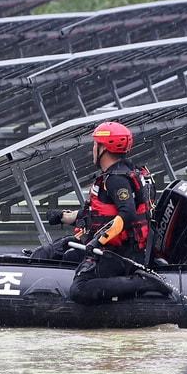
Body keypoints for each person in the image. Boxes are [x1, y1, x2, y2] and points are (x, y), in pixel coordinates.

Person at [68, 122, 158, 305]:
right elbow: (103, 214)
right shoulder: (126, 172)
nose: (93, 149)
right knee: (63, 250)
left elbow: (128, 214)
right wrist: (65, 217)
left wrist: (97, 240)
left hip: (121, 253)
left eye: (95, 145)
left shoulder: (116, 179)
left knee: (79, 289)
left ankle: (142, 283)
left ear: (103, 148)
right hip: (122, 247)